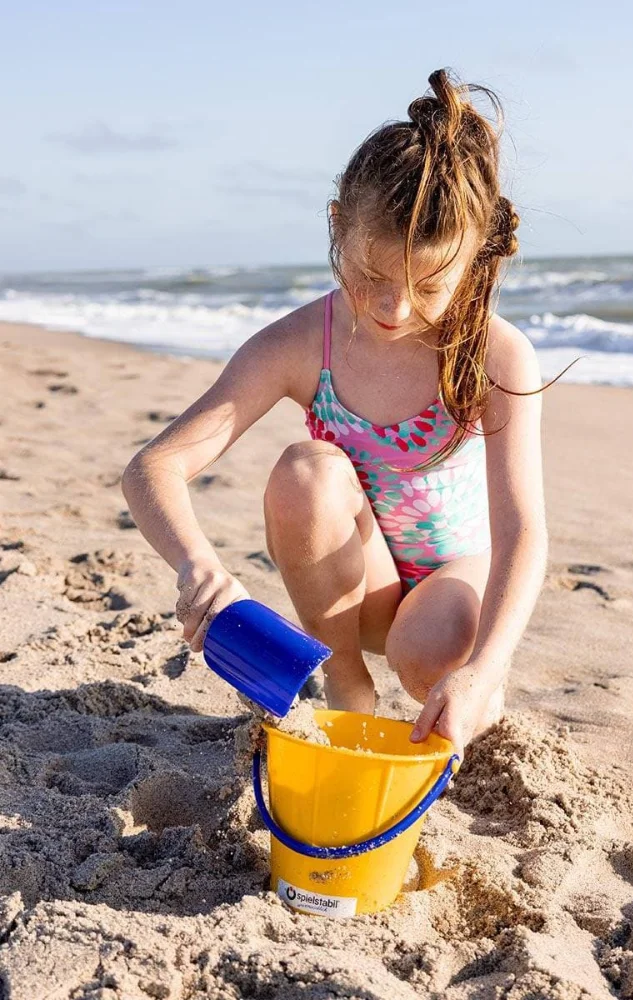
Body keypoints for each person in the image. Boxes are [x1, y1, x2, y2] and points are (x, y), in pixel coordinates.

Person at [122, 68, 564, 759]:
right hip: (362, 585)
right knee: (306, 472)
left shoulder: (493, 355)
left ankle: (469, 688)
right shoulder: (303, 344)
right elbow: (156, 466)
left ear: (471, 258)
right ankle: (347, 681)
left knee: (433, 651)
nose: (394, 309)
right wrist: (197, 566)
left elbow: (522, 534)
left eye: (427, 287)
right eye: (371, 278)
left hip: (458, 584)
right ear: (338, 228)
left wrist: (485, 668)